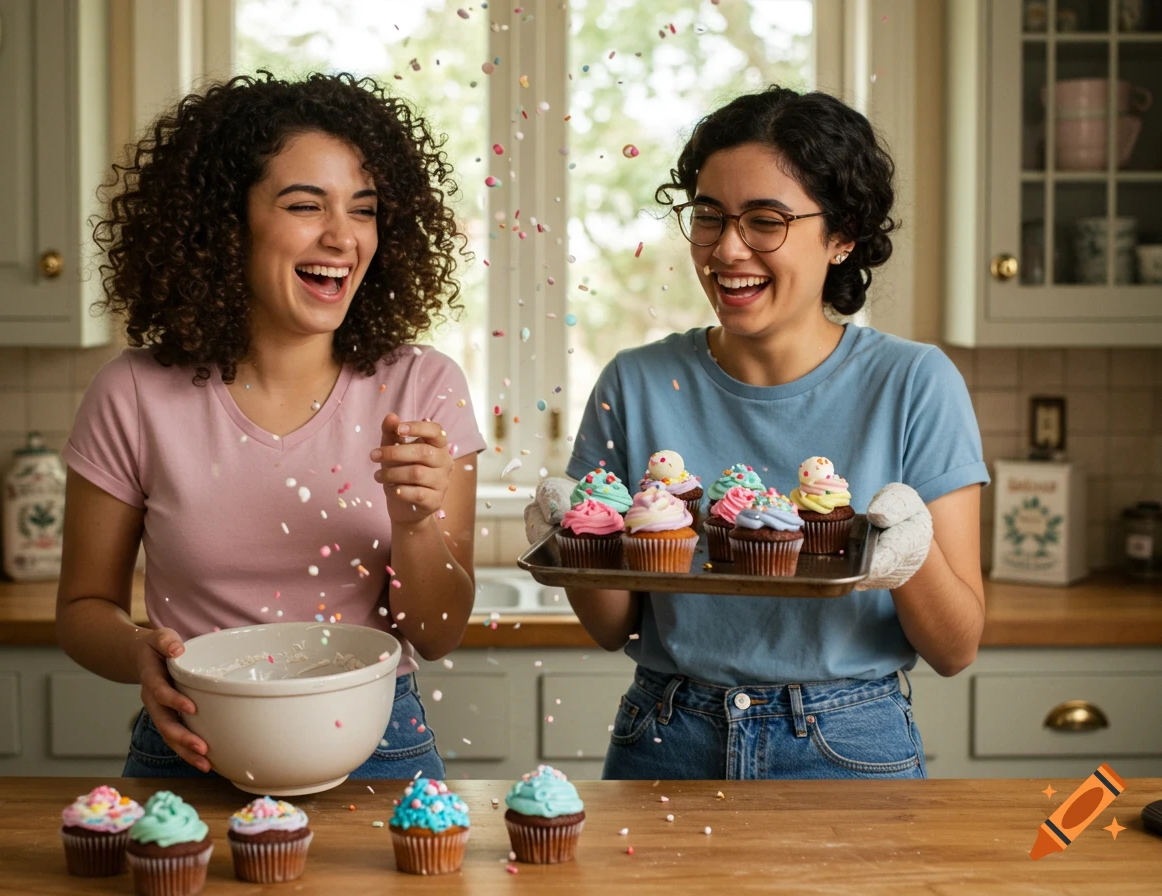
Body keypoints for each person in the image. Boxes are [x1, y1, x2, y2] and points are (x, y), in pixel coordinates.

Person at [525, 86, 988, 781]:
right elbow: (609, 628)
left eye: (765, 221)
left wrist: (909, 555)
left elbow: (956, 649)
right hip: (666, 732)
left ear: (843, 234)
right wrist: (577, 540)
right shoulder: (636, 383)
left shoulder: (915, 383)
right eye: (708, 217)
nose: (727, 249)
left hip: (849, 740)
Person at [56, 72, 485, 782]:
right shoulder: (133, 393)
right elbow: (82, 608)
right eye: (304, 205)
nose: (343, 237)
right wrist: (140, 652)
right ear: (227, 221)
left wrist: (413, 525)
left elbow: (436, 636)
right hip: (192, 742)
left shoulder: (421, 389)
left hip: (377, 748)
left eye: (364, 209)